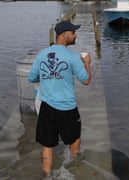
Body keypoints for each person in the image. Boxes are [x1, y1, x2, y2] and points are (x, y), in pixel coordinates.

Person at [28, 20, 92, 177]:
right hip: (67, 109)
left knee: (47, 145)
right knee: (75, 139)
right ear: (64, 34)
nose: (75, 35)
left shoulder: (42, 54)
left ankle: (47, 175)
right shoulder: (73, 57)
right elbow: (86, 81)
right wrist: (87, 63)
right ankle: (73, 167)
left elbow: (31, 78)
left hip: (47, 108)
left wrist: (47, 76)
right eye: (73, 32)